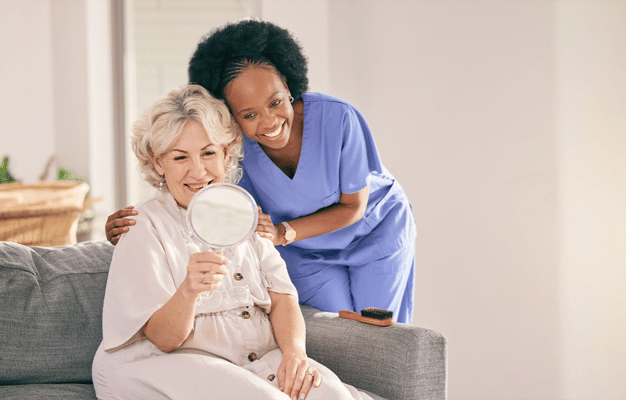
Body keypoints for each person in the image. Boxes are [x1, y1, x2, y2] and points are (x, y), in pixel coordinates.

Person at [106, 18, 417, 323]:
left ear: (289, 86)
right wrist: (137, 224)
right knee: (336, 333)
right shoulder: (233, 148)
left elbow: (353, 207)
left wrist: (283, 232)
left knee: (377, 332)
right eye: (249, 114)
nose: (269, 122)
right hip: (301, 253)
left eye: (275, 102)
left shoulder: (338, 118)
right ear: (230, 116)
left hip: (374, 232)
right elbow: (196, 191)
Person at [92, 85, 367, 400]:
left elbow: (282, 297)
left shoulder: (244, 213)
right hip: (165, 360)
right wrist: (189, 290)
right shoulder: (141, 225)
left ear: (226, 153)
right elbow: (165, 340)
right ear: (158, 163)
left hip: (251, 359)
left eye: (209, 153)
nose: (198, 171)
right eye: (180, 157)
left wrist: (294, 353)